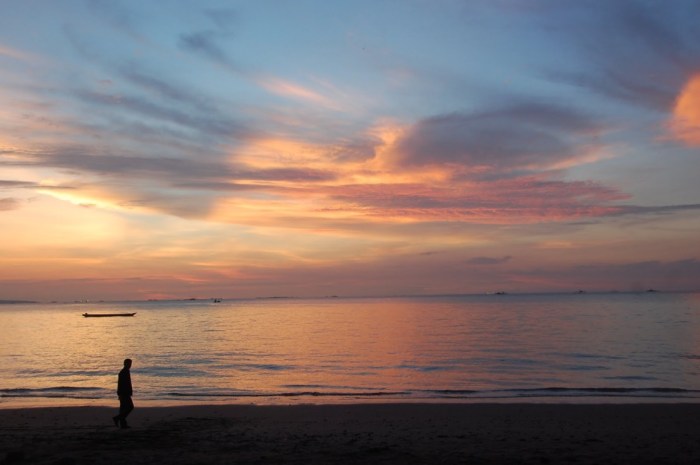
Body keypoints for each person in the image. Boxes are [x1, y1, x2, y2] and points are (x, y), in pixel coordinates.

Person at [112, 358, 134, 429]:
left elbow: (121, 383)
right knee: (130, 407)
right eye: (129, 364)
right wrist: (128, 392)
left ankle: (123, 424)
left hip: (122, 393)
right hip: (124, 393)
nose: (130, 365)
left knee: (123, 408)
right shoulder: (124, 372)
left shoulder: (125, 371)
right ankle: (117, 418)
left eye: (130, 364)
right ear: (125, 364)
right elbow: (124, 384)